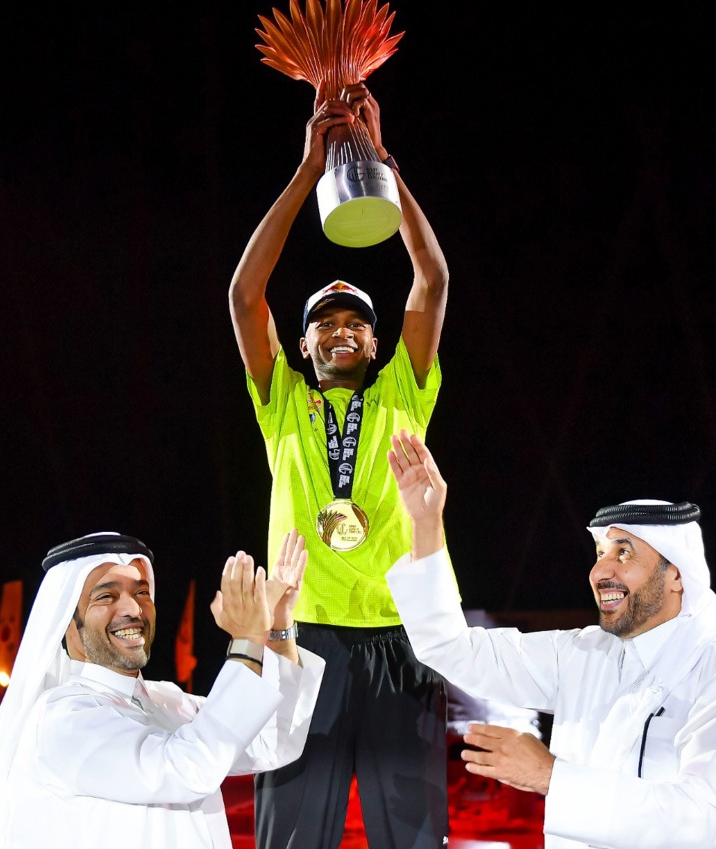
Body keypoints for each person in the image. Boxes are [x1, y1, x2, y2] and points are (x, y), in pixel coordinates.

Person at [229, 81, 450, 849]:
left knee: (413, 837)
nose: (343, 328)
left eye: (357, 319)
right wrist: (305, 173)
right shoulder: (281, 403)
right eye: (325, 322)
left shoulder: (403, 392)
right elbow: (244, 292)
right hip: (303, 637)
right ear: (303, 347)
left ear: (378, 342)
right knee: (292, 837)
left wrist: (383, 163)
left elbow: (432, 276)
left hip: (401, 637)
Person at [384, 431, 716, 849]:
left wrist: (550, 776)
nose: (599, 572)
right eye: (600, 555)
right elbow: (451, 648)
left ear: (677, 574)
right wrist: (426, 524)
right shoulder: (583, 653)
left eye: (623, 553)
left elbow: (703, 819)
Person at [0, 530, 324, 849]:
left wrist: (277, 627)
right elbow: (188, 768)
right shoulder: (62, 719)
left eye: (142, 592)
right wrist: (247, 639)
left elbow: (272, 743)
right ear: (67, 623)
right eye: (106, 596)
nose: (132, 608)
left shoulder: (166, 700)